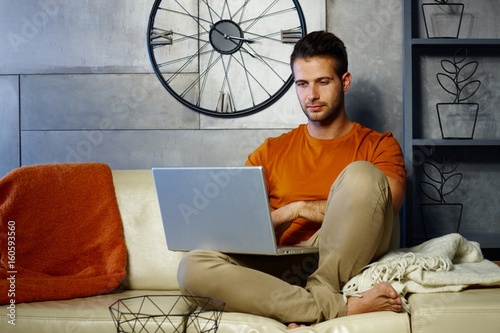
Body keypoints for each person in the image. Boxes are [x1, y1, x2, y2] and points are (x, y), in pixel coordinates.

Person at [177, 30, 406, 326]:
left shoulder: (378, 145)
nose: (311, 95)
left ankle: (313, 297)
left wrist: (300, 209)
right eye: (302, 84)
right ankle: (330, 307)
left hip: (334, 256)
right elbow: (244, 230)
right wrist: (285, 215)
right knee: (192, 268)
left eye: (323, 82)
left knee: (362, 176)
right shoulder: (271, 151)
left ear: (344, 82)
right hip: (278, 266)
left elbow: (385, 205)